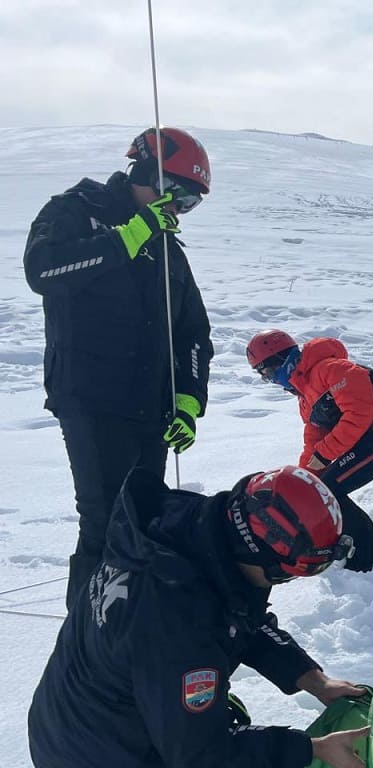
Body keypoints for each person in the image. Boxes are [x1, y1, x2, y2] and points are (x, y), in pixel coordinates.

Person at [29, 465, 371, 768]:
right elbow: (199, 757)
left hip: (72, 721)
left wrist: (315, 680)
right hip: (96, 766)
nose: (290, 582)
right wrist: (309, 750)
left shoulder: (189, 530)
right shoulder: (178, 624)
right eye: (293, 571)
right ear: (258, 550)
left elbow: (240, 613)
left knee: (219, 729)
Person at [23, 127, 215, 607]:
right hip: (90, 395)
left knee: (143, 517)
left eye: (191, 205)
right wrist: (128, 237)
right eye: (180, 197)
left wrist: (188, 402)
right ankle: (86, 638)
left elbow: (193, 333)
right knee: (105, 516)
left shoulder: (168, 248)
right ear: (148, 174)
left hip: (150, 405)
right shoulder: (77, 211)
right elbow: (43, 271)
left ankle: (131, 625)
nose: (180, 211)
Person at [246, 330, 373, 496]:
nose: (273, 381)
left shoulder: (332, 369)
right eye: (265, 378)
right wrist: (302, 481)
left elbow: (359, 412)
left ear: (282, 359)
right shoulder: (306, 397)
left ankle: (343, 530)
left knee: (326, 492)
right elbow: (313, 441)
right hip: (371, 438)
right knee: (318, 491)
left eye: (269, 373)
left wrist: (324, 454)